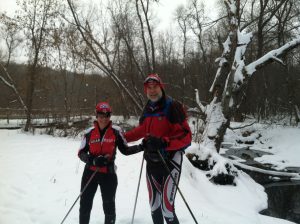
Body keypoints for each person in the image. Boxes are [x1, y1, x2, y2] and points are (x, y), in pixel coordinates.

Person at [124, 73, 192, 224]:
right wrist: (122, 137)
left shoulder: (172, 106)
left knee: (167, 209)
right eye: (149, 88)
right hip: (152, 162)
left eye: (155, 87)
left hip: (170, 161)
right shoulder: (148, 108)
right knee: (154, 207)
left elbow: (186, 137)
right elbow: (141, 130)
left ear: (161, 87)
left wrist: (164, 142)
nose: (152, 91)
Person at [78, 102, 143, 224]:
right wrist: (92, 160)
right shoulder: (89, 133)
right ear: (96, 116)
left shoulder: (116, 132)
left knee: (109, 205)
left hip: (108, 174)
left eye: (106, 115)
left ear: (110, 116)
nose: (103, 119)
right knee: (85, 204)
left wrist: (142, 146)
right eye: (100, 115)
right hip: (90, 173)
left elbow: (126, 150)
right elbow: (81, 153)